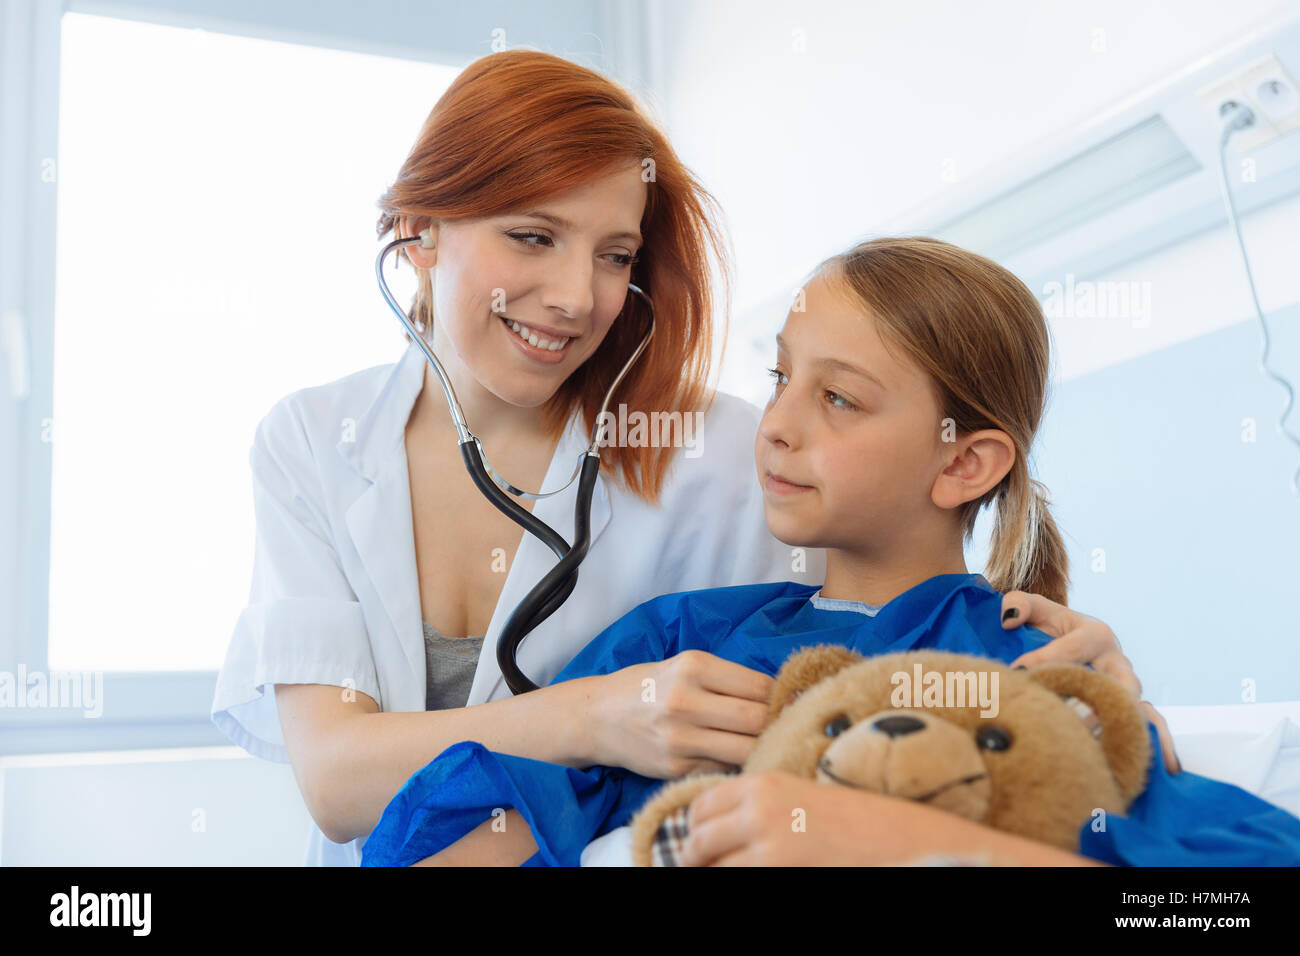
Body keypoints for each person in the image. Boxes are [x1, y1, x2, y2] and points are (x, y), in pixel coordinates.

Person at [210, 51, 1164, 867]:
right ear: (420, 232)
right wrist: (592, 717)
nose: (577, 298)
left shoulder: (723, 454)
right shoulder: (313, 441)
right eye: (532, 237)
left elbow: (878, 623)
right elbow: (338, 784)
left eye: (614, 255)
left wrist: (1105, 702)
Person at [361, 238, 1300, 868]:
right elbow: (488, 814)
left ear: (964, 461)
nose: (775, 426)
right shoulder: (685, 648)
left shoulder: (1031, 677)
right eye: (780, 379)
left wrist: (889, 836)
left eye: (839, 399)